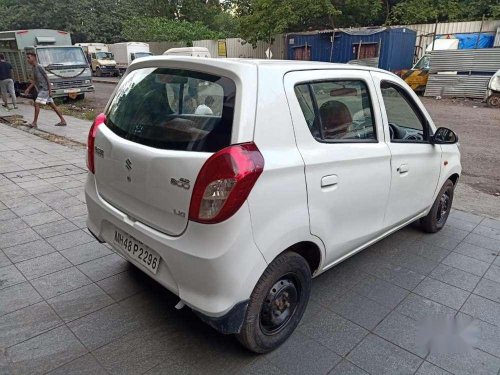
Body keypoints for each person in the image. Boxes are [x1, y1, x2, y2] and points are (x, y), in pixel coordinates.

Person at [23, 52, 67, 128]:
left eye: (29, 57)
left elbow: (47, 78)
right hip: (41, 90)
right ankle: (63, 120)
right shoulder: (33, 68)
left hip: (45, 89)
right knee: (52, 106)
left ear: (34, 58)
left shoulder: (39, 66)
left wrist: (50, 90)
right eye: (27, 58)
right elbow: (35, 80)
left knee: (36, 103)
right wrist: (28, 89)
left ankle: (34, 123)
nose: (27, 59)